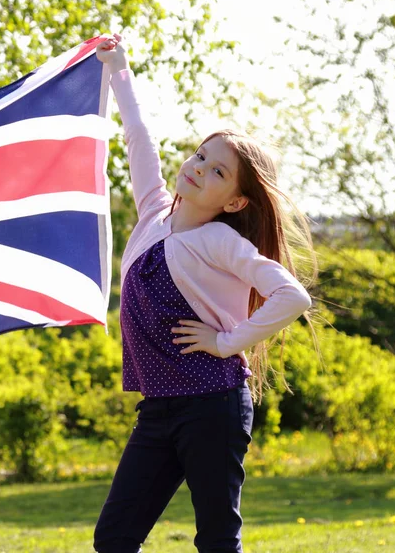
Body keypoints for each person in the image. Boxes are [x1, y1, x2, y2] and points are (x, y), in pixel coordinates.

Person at [93, 34, 318, 553]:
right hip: (158, 409)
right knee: (114, 538)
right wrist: (118, 71)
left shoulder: (219, 240)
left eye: (217, 170)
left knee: (217, 540)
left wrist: (226, 342)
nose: (197, 167)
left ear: (236, 199)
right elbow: (139, 139)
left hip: (213, 405)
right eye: (200, 155)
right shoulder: (153, 214)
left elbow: (292, 297)